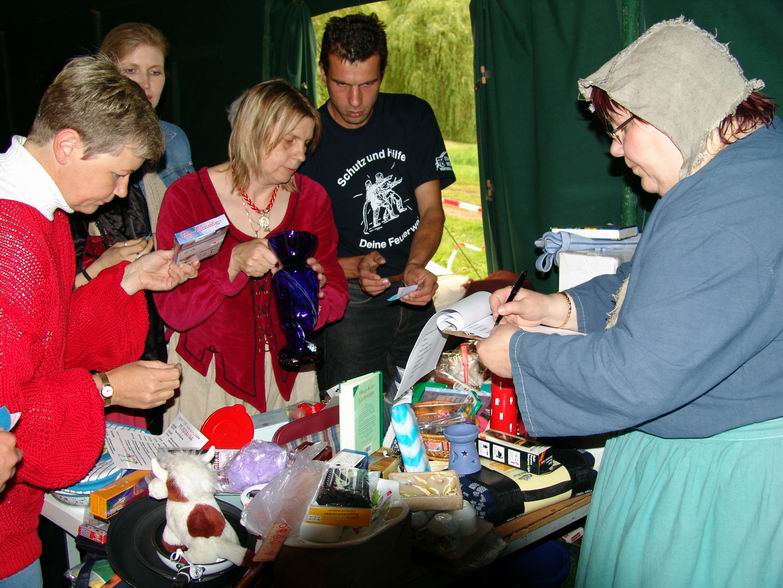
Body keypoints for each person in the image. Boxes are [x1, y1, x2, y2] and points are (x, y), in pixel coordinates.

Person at [478, 17, 783, 587]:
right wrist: (560, 308)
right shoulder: (749, 165)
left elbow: (637, 374)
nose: (616, 150)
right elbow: (659, 282)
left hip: (715, 485)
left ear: (669, 110)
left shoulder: (721, 211)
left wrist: (518, 354)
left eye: (620, 129)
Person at [0, 54, 196, 587]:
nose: (121, 191)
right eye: (118, 173)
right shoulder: (13, 240)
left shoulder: (42, 212)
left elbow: (50, 344)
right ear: (68, 145)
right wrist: (106, 389)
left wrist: (128, 281)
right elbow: (13, 418)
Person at [154, 79, 348, 428]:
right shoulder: (188, 197)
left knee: (294, 462)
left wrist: (313, 297)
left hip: (290, 379)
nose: (301, 155)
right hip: (209, 381)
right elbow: (174, 309)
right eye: (289, 141)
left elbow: (336, 290)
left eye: (305, 143)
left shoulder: (311, 199)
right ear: (253, 131)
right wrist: (231, 264)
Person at [300, 13, 455, 402]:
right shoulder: (304, 141)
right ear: (323, 74)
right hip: (349, 303)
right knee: (355, 416)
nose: (355, 100)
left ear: (382, 74)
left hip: (412, 289)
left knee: (426, 406)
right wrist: (354, 269)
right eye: (342, 84)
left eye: (367, 84)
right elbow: (300, 254)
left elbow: (431, 211)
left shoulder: (412, 116)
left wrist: (416, 265)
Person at [70, 22, 195, 429]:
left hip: (162, 298)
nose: (145, 83)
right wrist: (101, 266)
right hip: (102, 319)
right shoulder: (83, 153)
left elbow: (190, 215)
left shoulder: (174, 140)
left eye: (155, 72)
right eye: (131, 71)